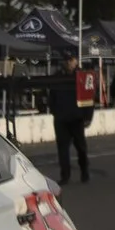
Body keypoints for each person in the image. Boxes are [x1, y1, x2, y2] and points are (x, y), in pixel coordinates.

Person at [46, 50, 92, 185]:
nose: (68, 63)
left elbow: (89, 98)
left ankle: (85, 171)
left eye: (71, 60)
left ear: (76, 61)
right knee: (62, 149)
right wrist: (54, 111)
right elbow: (51, 96)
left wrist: (88, 116)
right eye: (66, 60)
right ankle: (65, 176)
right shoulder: (57, 76)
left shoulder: (83, 76)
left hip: (77, 118)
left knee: (81, 148)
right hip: (61, 118)